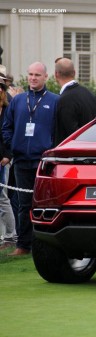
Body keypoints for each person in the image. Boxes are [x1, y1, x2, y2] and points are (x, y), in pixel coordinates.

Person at [2, 61, 59, 256]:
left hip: (43, 161)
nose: (33, 78)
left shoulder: (54, 101)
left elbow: (58, 130)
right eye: (30, 74)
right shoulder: (18, 101)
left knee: (43, 204)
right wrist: (13, 146)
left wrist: (50, 150)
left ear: (45, 77)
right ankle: (23, 245)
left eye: (37, 75)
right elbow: (6, 126)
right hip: (21, 160)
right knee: (23, 204)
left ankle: (44, 245)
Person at [54, 57, 96, 145]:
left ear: (56, 74)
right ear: (74, 72)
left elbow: (71, 134)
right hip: (92, 148)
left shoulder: (64, 100)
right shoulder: (91, 95)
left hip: (73, 153)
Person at [0, 78, 16, 249]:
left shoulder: (7, 109)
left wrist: (8, 156)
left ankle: (10, 236)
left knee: (3, 199)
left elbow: (10, 132)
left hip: (3, 160)